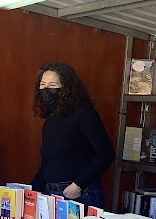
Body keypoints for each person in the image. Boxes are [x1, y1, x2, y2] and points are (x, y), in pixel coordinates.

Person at [31, 63, 114, 208]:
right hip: (52, 194)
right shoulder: (51, 120)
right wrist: (28, 192)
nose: (45, 89)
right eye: (42, 84)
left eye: (52, 84)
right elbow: (48, 165)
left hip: (81, 194)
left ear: (66, 88)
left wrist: (78, 185)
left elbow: (106, 154)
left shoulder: (84, 113)